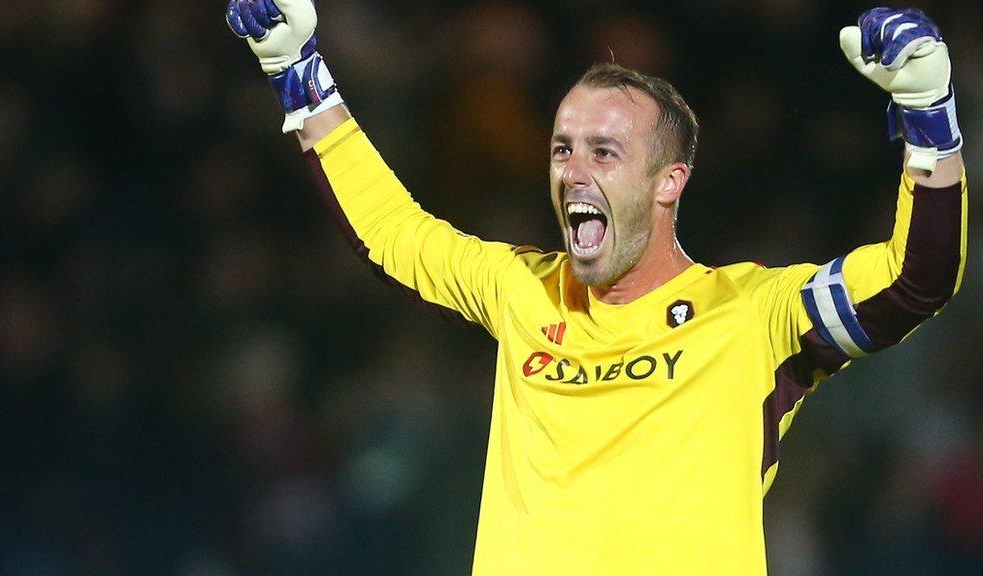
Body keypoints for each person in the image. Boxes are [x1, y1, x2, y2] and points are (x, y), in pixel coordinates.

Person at [226, 2, 967, 574]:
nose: (572, 171)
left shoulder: (753, 313)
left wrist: (929, 120)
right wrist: (297, 67)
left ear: (668, 182)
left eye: (604, 152)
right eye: (562, 149)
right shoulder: (524, 290)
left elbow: (914, 280)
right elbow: (390, 231)